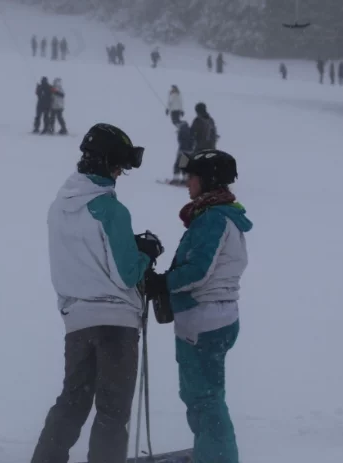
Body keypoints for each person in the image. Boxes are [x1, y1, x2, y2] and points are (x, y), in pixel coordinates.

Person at [31, 123, 164, 463]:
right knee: (112, 411)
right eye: (120, 166)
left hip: (77, 321)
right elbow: (125, 274)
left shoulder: (58, 207)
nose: (121, 173)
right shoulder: (110, 209)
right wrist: (146, 252)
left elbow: (86, 255)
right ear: (106, 163)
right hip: (116, 324)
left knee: (73, 402)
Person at [145, 149, 252, 463]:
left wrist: (162, 282)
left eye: (192, 176)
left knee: (204, 398)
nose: (187, 181)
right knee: (201, 396)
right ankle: (212, 452)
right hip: (211, 318)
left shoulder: (213, 219)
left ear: (207, 180)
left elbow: (198, 271)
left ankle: (218, 456)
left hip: (205, 320)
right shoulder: (217, 215)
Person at [170, 119, 194, 185]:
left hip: (182, 150)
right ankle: (185, 180)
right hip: (189, 151)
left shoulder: (182, 130)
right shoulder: (191, 130)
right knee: (184, 165)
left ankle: (176, 179)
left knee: (177, 164)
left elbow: (180, 140)